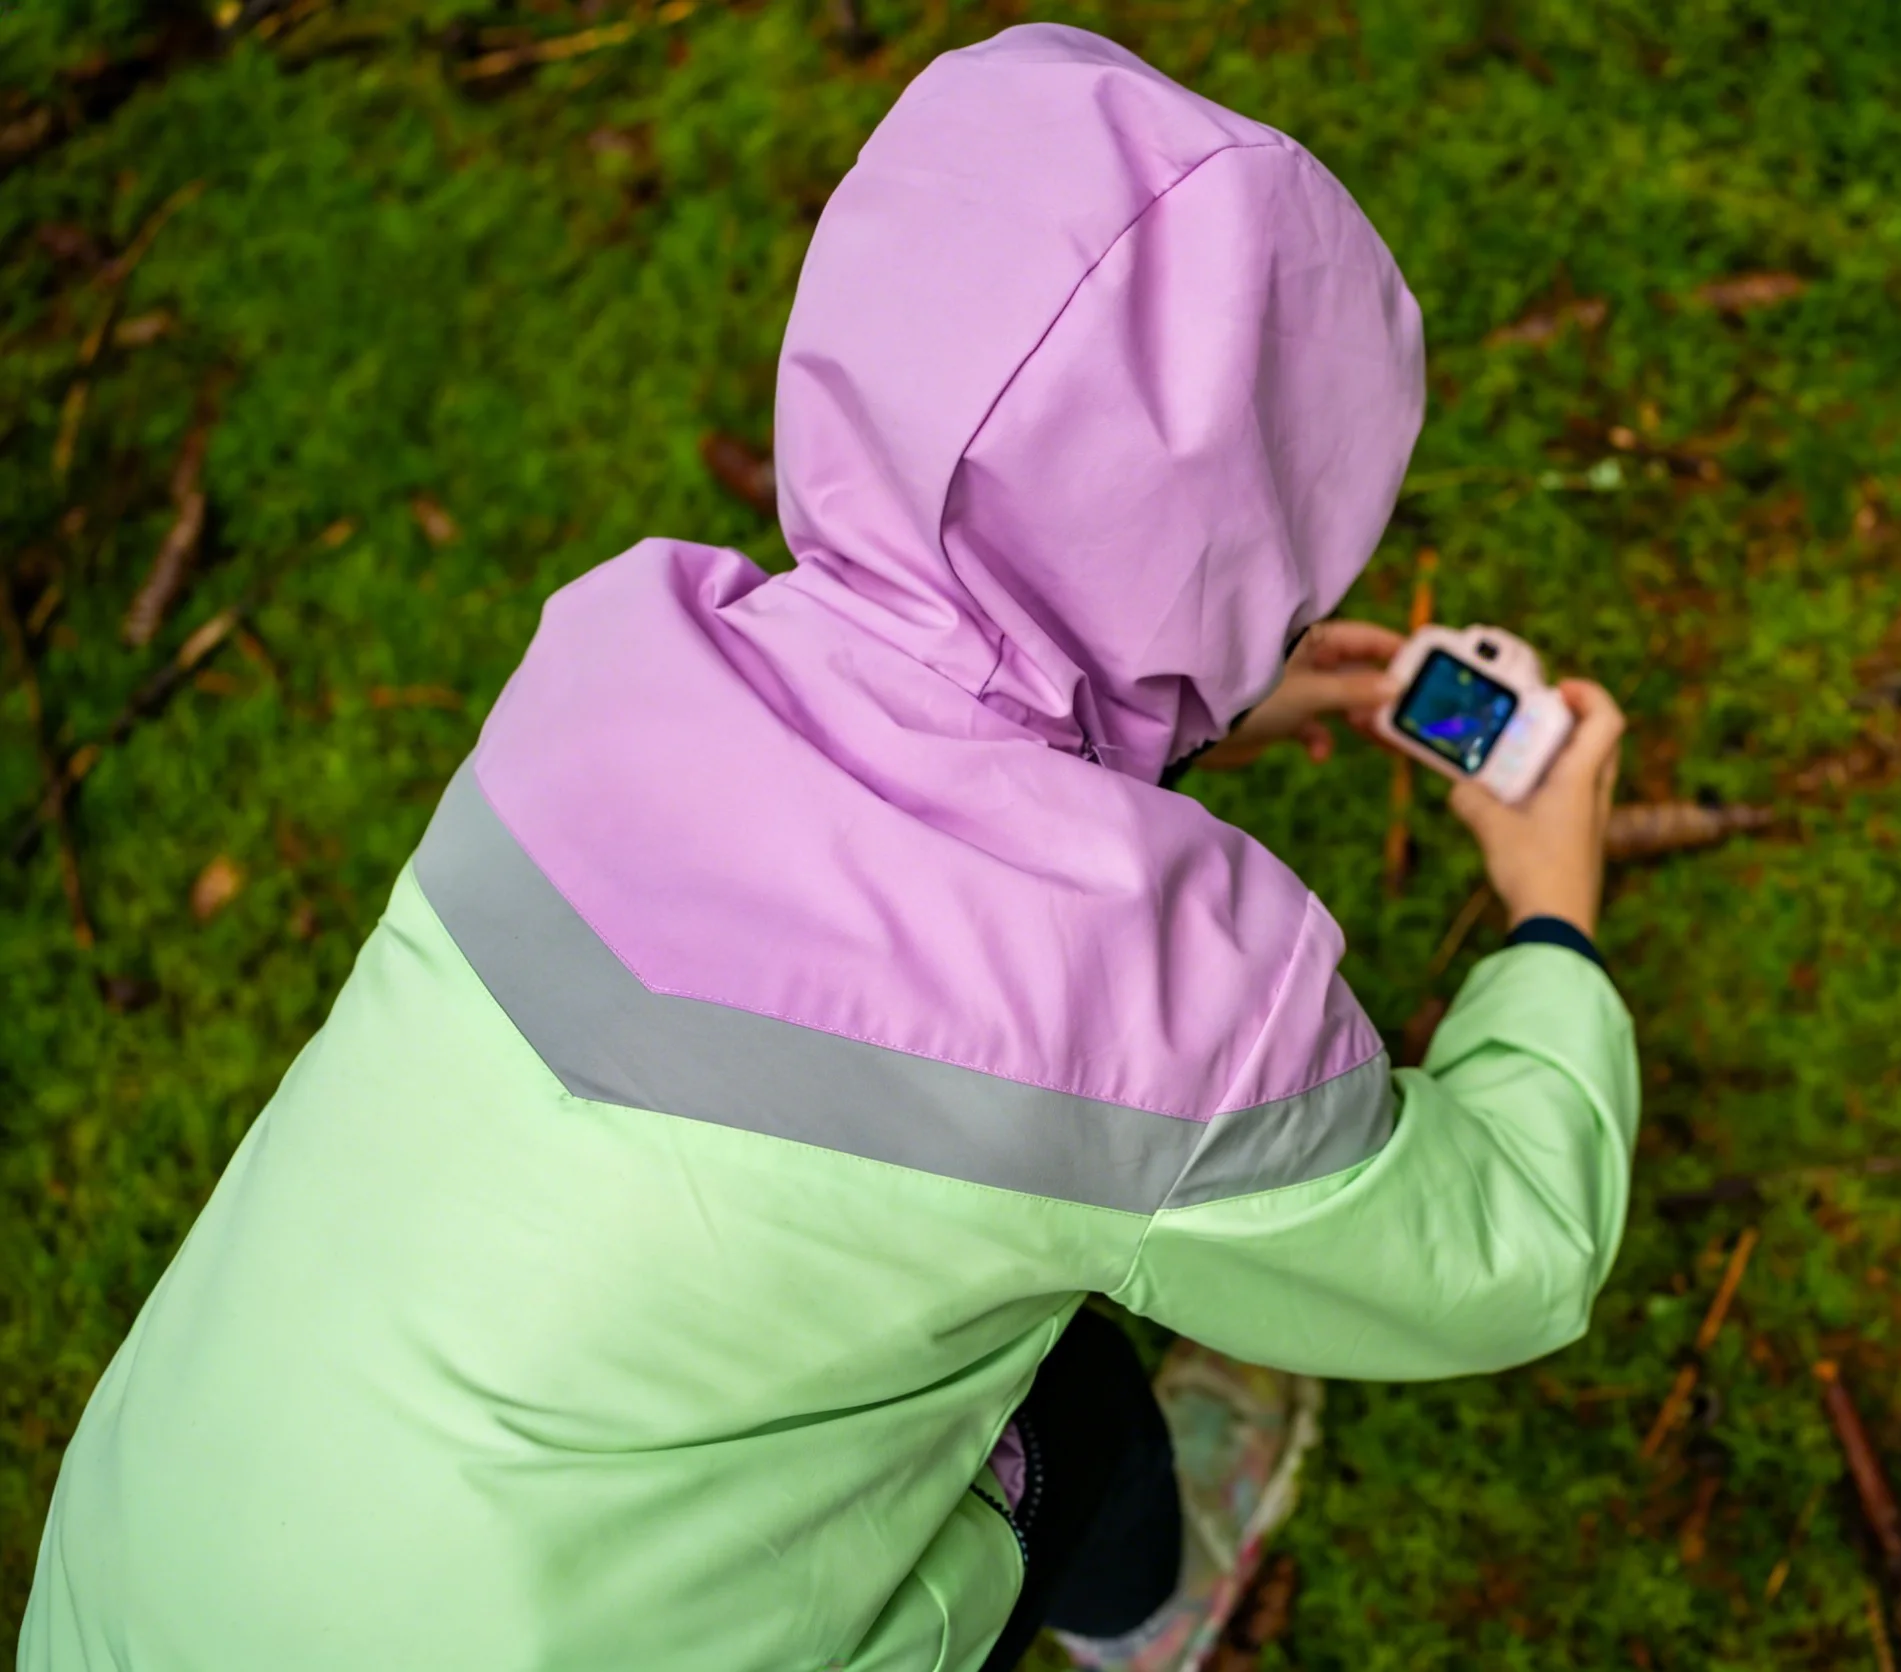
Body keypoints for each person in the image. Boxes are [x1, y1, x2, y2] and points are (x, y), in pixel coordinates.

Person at [20, 23, 1637, 1672]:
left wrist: (1153, 695)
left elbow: (909, 661)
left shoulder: (601, 670)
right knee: (1057, 1381)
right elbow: (1507, 1249)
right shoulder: (1152, 1005)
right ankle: (1146, 1608)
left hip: (125, 1589)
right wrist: (1552, 912)